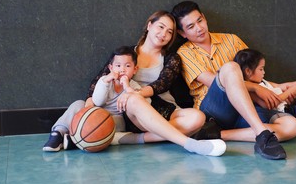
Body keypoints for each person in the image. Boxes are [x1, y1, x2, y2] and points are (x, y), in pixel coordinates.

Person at [172, 1, 296, 160]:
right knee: (230, 68)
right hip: (214, 111)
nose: (199, 28)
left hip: (244, 109)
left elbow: (253, 74)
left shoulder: (231, 40)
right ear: (182, 33)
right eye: (190, 27)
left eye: (199, 21)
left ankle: (217, 135)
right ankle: (262, 135)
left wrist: (280, 88)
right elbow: (214, 81)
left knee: (292, 127)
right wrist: (255, 88)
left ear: (204, 18)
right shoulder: (184, 53)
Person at [43, 46, 226, 156]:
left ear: (135, 69)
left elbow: (144, 106)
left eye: (127, 66)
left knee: (134, 101)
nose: (122, 70)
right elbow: (97, 101)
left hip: (116, 122)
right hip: (97, 113)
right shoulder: (104, 80)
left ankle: (102, 138)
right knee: (77, 104)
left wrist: (129, 90)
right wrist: (105, 82)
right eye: (118, 66)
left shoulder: (134, 85)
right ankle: (58, 134)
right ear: (110, 67)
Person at [88, 10, 220, 144]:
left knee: (198, 117)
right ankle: (186, 142)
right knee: (134, 100)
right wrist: (88, 106)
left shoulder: (171, 58)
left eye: (169, 32)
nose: (164, 34)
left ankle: (138, 139)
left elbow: (161, 85)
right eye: (161, 27)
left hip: (164, 108)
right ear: (149, 26)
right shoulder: (126, 54)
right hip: (134, 112)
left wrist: (135, 92)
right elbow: (100, 79)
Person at [234, 48, 296, 139]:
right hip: (275, 115)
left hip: (285, 109)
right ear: (248, 71)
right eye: (261, 69)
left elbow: (281, 86)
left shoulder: (262, 82)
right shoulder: (248, 89)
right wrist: (289, 93)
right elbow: (268, 105)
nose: (264, 72)